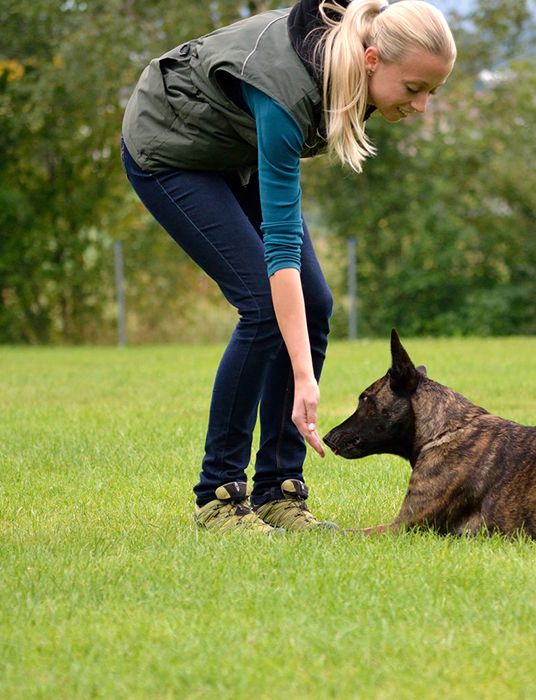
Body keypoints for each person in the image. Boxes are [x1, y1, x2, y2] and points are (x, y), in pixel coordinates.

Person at [120, 0, 456, 533]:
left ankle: (279, 492)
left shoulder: (356, 45)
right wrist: (304, 375)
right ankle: (219, 498)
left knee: (316, 303)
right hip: (171, 149)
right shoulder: (287, 95)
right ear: (371, 59)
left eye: (431, 92)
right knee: (260, 303)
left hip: (234, 150)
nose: (420, 107)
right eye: (414, 89)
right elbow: (280, 249)